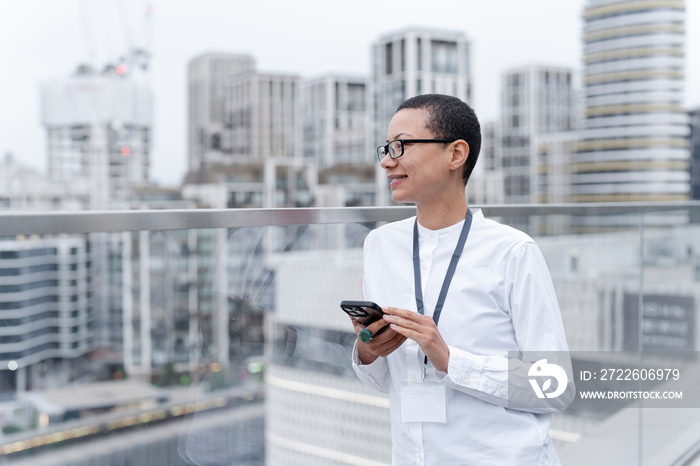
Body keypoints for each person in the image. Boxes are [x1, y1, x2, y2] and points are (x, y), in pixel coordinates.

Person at [350, 94, 574, 465]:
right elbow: (383, 380)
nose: (388, 161)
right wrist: (368, 352)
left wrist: (451, 360)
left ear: (456, 154)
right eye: (386, 148)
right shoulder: (379, 245)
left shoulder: (513, 251)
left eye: (401, 146)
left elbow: (555, 386)